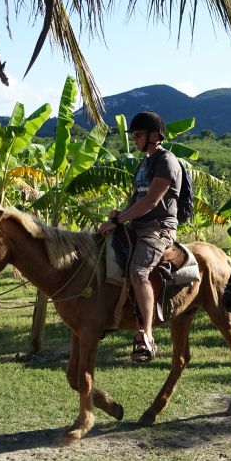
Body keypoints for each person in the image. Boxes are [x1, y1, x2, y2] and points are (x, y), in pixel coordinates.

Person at [98, 111, 182, 363]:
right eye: (133, 135)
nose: (133, 139)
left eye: (137, 135)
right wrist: (119, 215)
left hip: (158, 228)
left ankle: (145, 335)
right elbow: (136, 199)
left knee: (138, 271)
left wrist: (118, 221)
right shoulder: (144, 163)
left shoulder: (166, 161)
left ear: (154, 135)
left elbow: (151, 201)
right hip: (136, 225)